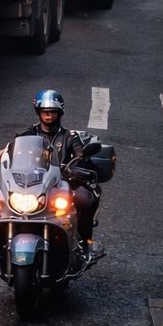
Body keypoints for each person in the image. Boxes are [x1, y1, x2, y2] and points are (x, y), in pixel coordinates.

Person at [22, 89, 100, 256]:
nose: (48, 116)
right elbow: (14, 151)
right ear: (39, 113)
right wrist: (0, 162)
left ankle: (86, 241)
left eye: (52, 112)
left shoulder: (69, 136)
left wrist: (76, 165)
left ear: (59, 113)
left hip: (62, 182)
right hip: (34, 183)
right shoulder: (28, 134)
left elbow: (80, 154)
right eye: (45, 112)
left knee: (86, 199)